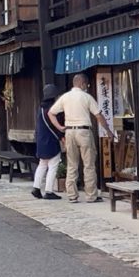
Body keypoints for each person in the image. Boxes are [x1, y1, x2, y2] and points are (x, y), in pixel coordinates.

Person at [48, 73, 117, 203]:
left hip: (69, 131)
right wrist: (108, 131)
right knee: (89, 164)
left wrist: (59, 127)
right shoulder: (87, 97)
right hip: (84, 132)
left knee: (72, 164)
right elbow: (98, 115)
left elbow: (51, 113)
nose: (87, 86)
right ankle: (91, 195)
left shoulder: (65, 97)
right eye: (86, 84)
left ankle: (72, 195)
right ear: (82, 84)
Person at [32, 84, 65, 200]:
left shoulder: (41, 108)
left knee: (42, 164)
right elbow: (55, 126)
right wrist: (62, 137)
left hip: (41, 140)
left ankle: (36, 188)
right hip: (51, 140)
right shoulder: (53, 109)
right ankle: (49, 191)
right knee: (53, 165)